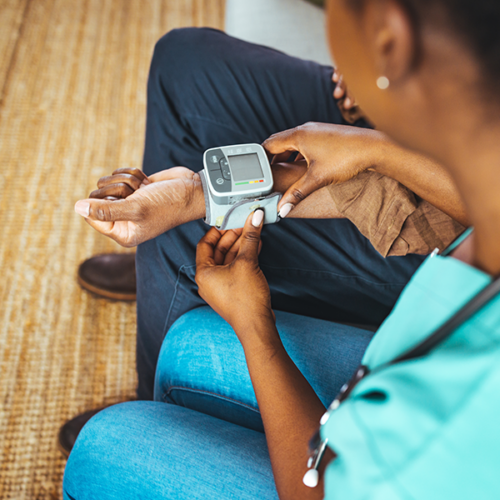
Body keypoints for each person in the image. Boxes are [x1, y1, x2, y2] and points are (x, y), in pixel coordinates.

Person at [62, 0, 500, 494]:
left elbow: (321, 487)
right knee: (188, 341)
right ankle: (160, 296)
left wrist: (255, 329)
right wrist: (197, 194)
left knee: (104, 448)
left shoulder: (466, 402)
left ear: (389, 39)